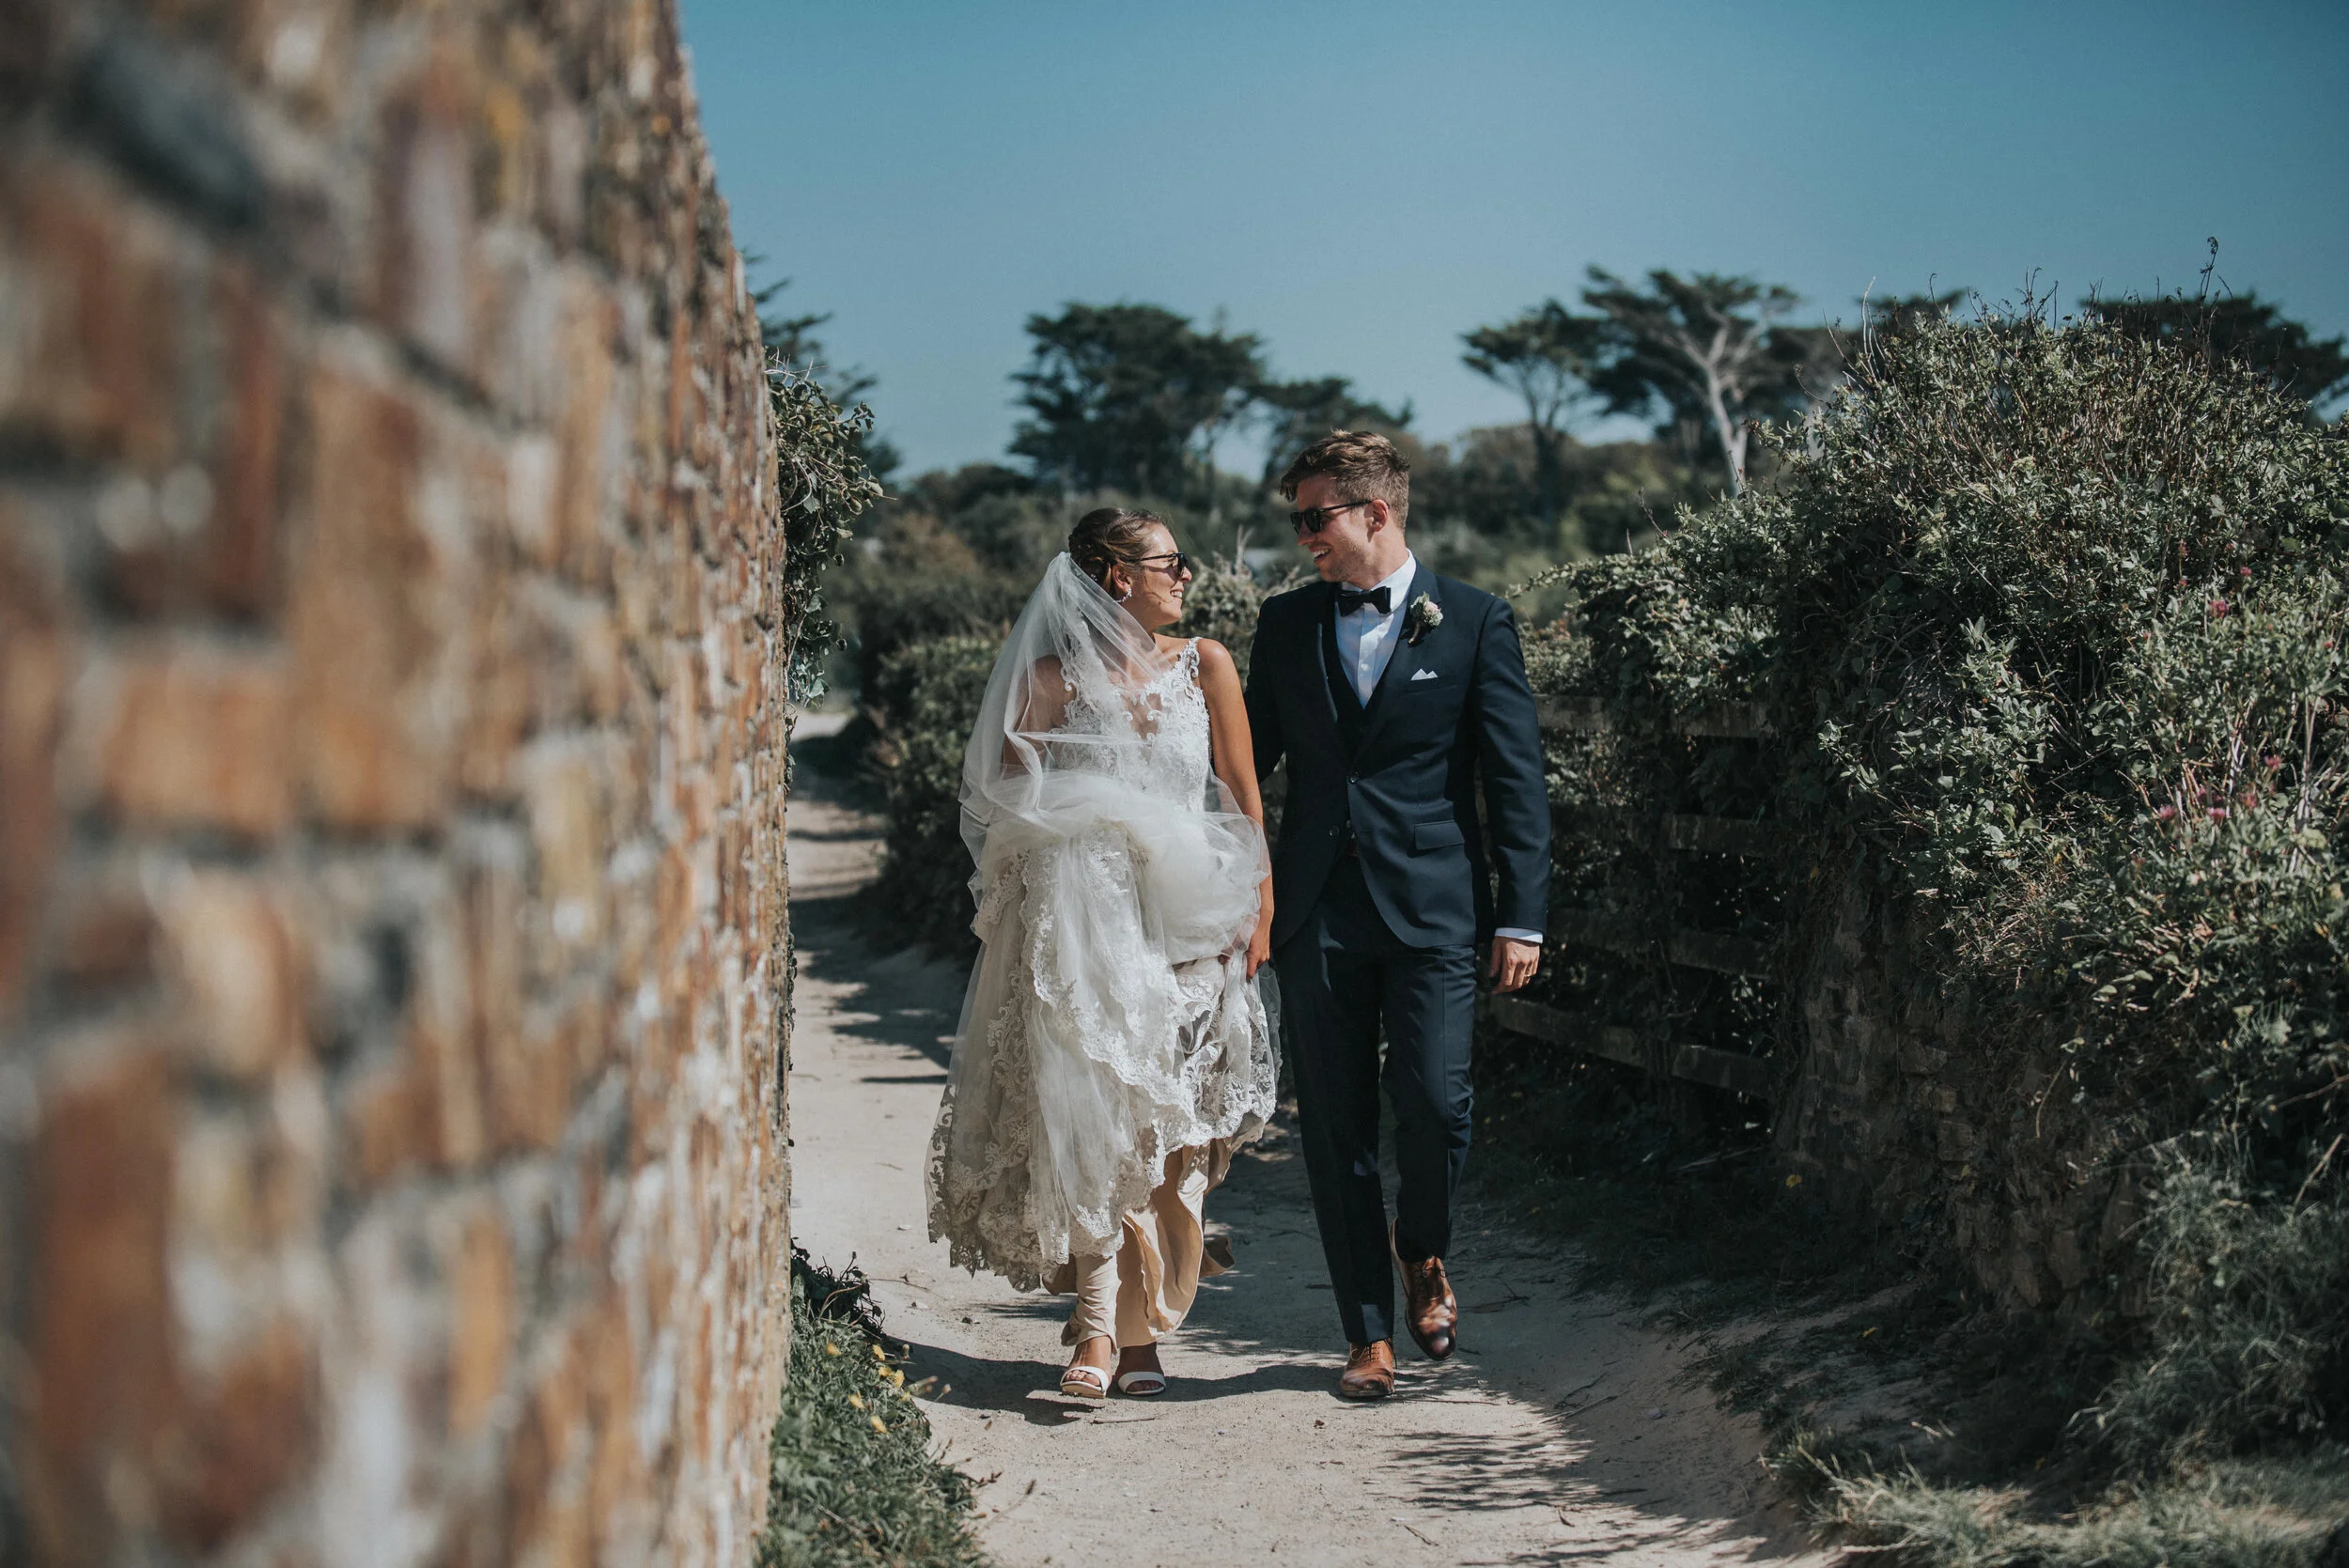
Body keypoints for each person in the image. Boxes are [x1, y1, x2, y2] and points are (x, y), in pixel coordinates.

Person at [926, 508, 1281, 1400]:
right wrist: (1083, 835)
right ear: (1119, 575)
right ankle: (1095, 1330)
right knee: (1098, 1113)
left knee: (1175, 1138)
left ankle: (1145, 1328)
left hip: (1195, 919)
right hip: (1093, 926)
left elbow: (1242, 792)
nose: (1186, 576)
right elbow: (1006, 805)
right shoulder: (1051, 680)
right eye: (1172, 562)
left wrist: (1261, 905)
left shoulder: (1208, 666)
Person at [1244, 430, 1550, 1400]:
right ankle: (1365, 1334)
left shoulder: (1472, 620)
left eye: (1315, 517)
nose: (1304, 540)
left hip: (1433, 909)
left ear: (1374, 514)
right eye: (1297, 520)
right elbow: (1245, 767)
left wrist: (1522, 916)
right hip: (1316, 914)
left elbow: (1515, 780)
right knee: (1332, 1128)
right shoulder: (1285, 626)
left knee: (1436, 1101)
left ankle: (1422, 1248)